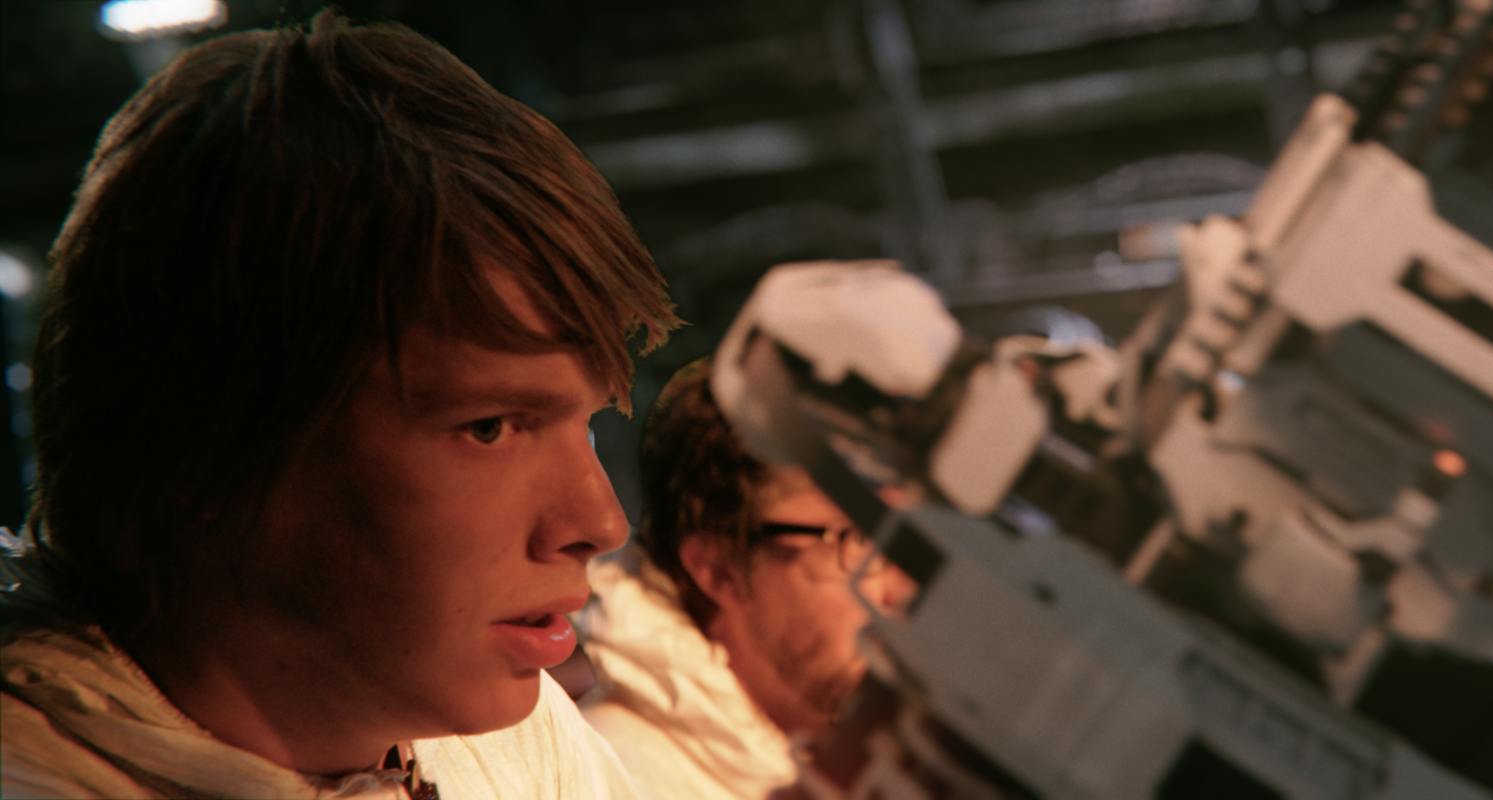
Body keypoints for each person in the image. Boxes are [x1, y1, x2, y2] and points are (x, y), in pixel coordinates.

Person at [0, 11, 678, 798]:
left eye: (584, 425)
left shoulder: (516, 745)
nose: (600, 524)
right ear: (205, 451)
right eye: (489, 428)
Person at [574, 357, 914, 799]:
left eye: (909, 542)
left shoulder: (885, 760)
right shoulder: (611, 782)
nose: (903, 590)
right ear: (719, 569)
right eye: (860, 540)